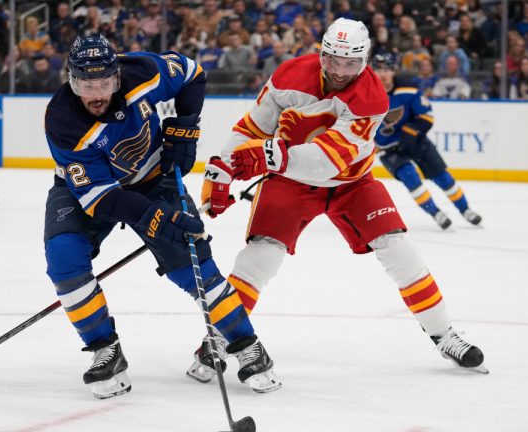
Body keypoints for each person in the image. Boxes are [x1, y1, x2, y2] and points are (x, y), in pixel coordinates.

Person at [195, 18, 486, 383]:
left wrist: (268, 157)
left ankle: (445, 336)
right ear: (322, 53)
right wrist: (221, 170)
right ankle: (218, 339)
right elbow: (252, 128)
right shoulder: (288, 76)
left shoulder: (372, 97)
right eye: (333, 59)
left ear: (364, 60)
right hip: (291, 182)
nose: (340, 70)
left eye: (351, 63)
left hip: (352, 182)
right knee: (261, 256)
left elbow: (328, 159)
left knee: (398, 248)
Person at [43, 34, 280, 399]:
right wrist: (156, 217)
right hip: (88, 193)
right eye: (86, 84)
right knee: (64, 261)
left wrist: (185, 127)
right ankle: (104, 349)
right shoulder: (63, 121)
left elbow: (192, 74)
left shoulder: (142, 71)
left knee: (194, 266)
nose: (96, 94)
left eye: (104, 82)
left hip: (155, 178)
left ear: (117, 76)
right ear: (71, 80)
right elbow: (102, 199)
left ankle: (247, 345)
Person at [371, 53, 483, 230]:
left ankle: (465, 210)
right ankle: (436, 213)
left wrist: (411, 133)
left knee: (442, 177)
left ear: (394, 71)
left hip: (414, 141)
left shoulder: (407, 88)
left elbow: (426, 116)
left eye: (387, 69)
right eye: (378, 70)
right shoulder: (365, 94)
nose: (382, 74)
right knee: (410, 178)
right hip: (388, 149)